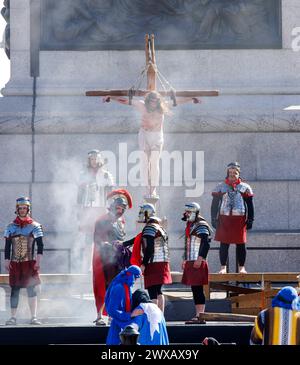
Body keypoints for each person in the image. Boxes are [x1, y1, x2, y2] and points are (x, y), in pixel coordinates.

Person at [103, 91, 200, 198]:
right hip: (144, 134)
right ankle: (147, 188)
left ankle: (153, 189)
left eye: (155, 102)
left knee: (154, 162)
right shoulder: (142, 105)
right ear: (148, 101)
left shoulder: (163, 106)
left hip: (157, 136)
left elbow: (177, 101)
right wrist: (111, 97)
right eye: (151, 102)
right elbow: (126, 101)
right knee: (145, 161)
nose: (153, 104)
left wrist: (192, 98)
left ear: (158, 102)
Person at [92, 189, 133, 326]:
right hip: (105, 257)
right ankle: (99, 316)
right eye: (118, 207)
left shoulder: (121, 221)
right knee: (105, 285)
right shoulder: (102, 220)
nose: (120, 210)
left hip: (118, 258)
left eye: (122, 208)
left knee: (118, 286)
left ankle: (112, 314)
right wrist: (108, 245)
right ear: (112, 206)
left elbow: (121, 239)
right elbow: (97, 240)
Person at [4, 197, 44, 325]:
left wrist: (38, 261)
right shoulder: (10, 226)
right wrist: (6, 260)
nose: (22, 210)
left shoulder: (35, 226)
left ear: (28, 209)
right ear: (17, 209)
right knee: (14, 289)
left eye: (24, 208)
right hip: (15, 263)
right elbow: (7, 246)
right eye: (20, 208)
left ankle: (34, 317)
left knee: (31, 289)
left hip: (29, 262)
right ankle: (13, 317)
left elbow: (40, 245)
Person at [211, 162, 254, 274]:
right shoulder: (221, 187)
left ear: (238, 173)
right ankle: (223, 267)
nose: (232, 174)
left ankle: (242, 267)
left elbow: (250, 204)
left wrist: (250, 219)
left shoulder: (245, 187)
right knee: (224, 243)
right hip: (224, 218)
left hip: (239, 218)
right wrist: (213, 218)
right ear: (227, 173)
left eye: (235, 172)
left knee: (241, 244)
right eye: (230, 172)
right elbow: (214, 204)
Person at [77, 149, 114, 271]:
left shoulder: (106, 174)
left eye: (95, 158)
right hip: (88, 209)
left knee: (102, 237)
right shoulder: (83, 174)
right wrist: (79, 210)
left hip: (101, 208)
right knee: (88, 238)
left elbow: (111, 193)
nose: (93, 161)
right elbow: (80, 194)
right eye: (91, 159)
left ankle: (102, 264)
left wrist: (111, 209)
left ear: (99, 159)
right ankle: (88, 265)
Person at [131, 203, 172, 313]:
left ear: (146, 214)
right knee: (158, 290)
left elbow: (149, 248)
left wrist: (144, 263)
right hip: (162, 262)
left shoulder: (149, 228)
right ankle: (161, 316)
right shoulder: (159, 227)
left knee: (152, 290)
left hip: (153, 262)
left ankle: (154, 316)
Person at [181, 202, 212, 322]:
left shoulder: (201, 225)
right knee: (195, 289)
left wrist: (200, 258)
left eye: (189, 212)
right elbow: (187, 244)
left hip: (197, 261)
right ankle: (199, 315)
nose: (186, 214)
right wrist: (185, 258)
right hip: (191, 260)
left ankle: (200, 316)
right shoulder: (191, 225)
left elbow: (206, 243)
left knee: (198, 289)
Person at [105, 265, 142, 345]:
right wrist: (130, 315)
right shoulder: (119, 288)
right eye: (135, 277)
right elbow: (112, 310)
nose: (135, 280)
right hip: (118, 326)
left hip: (123, 324)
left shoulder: (126, 287)